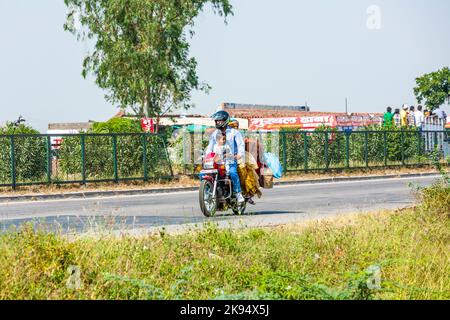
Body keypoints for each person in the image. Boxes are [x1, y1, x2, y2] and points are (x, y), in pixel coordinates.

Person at [205, 111, 246, 203]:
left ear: (225, 121)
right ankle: (209, 190)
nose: (218, 123)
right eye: (216, 121)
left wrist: (239, 155)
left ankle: (238, 193)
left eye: (220, 121)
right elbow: (210, 146)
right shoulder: (215, 133)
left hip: (230, 160)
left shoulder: (234, 132)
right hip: (217, 161)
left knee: (232, 173)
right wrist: (206, 156)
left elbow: (240, 145)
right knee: (205, 173)